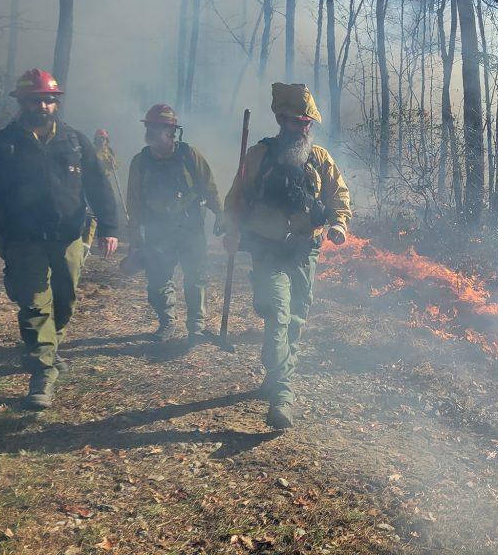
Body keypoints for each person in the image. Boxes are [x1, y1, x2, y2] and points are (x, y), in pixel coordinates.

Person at [0, 69, 118, 410]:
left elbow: (99, 186)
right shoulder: (4, 144)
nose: (44, 105)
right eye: (37, 99)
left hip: (68, 238)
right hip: (22, 238)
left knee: (65, 301)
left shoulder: (75, 141)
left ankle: (48, 347)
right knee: (34, 304)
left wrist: (110, 227)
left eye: (50, 99)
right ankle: (42, 371)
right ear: (22, 102)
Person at [223, 83, 351, 429]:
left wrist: (338, 223)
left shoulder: (320, 159)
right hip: (267, 250)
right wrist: (230, 230)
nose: (303, 128)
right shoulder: (259, 156)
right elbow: (236, 197)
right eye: (296, 122)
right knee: (279, 314)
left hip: (304, 250)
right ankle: (282, 393)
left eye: (307, 122)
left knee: (295, 318)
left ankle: (275, 373)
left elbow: (339, 194)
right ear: (281, 120)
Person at [126, 104, 223, 344]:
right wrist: (135, 234)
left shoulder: (190, 156)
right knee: (158, 281)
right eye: (149, 126)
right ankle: (167, 322)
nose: (151, 131)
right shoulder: (140, 162)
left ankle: (196, 328)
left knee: (195, 277)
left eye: (157, 127)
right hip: (157, 230)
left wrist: (220, 214)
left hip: (190, 229)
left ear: (172, 132)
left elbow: (209, 187)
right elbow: (134, 201)